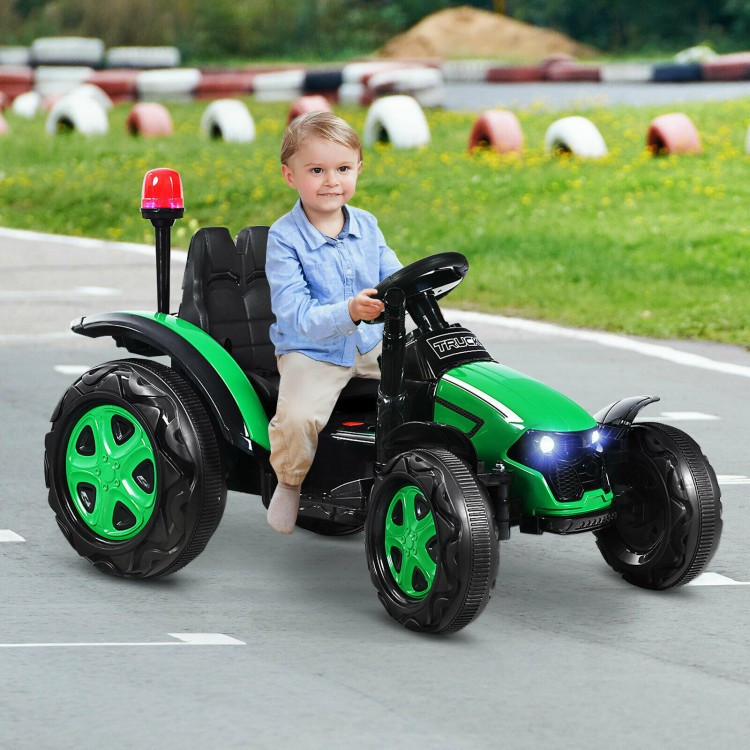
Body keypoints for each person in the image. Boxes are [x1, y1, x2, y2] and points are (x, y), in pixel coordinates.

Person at [264, 111, 402, 534]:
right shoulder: (284, 238)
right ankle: (290, 482)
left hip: (370, 342)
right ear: (290, 175)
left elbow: (394, 275)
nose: (331, 181)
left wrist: (415, 290)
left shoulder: (368, 225)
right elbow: (297, 314)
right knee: (299, 416)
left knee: (430, 382)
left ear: (358, 168)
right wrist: (349, 311)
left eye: (342, 169)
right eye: (316, 171)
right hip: (313, 350)